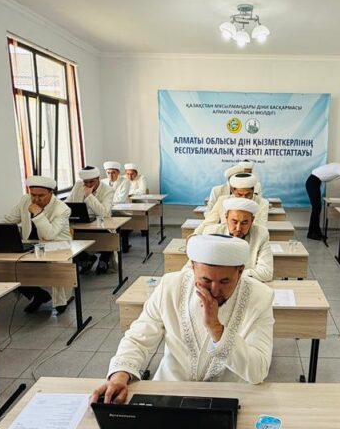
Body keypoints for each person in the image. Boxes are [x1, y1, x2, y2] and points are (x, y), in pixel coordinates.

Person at [91, 234, 275, 404]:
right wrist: (120, 374)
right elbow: (138, 339)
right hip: (170, 392)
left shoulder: (260, 297)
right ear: (192, 267)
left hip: (228, 397)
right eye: (206, 280)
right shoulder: (171, 287)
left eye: (225, 281)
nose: (214, 290)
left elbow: (257, 371)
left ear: (240, 272)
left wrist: (216, 329)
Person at [3, 175, 73, 313]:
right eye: (33, 195)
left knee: (54, 270)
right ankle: (39, 295)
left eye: (40, 196)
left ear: (51, 193)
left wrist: (38, 213)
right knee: (8, 268)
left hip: (57, 248)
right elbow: (9, 220)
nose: (35, 199)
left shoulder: (62, 209)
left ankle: (61, 300)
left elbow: (49, 235)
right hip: (31, 246)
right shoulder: (25, 200)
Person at [194, 197, 273, 282]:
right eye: (234, 222)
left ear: (252, 220)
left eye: (244, 223)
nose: (238, 228)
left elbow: (266, 272)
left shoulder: (261, 234)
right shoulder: (211, 232)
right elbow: (197, 269)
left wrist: (226, 275)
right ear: (226, 218)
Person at [67, 166, 116, 274]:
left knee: (109, 239)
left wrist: (89, 196)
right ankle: (86, 259)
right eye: (86, 182)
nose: (88, 185)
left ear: (98, 179)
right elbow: (67, 204)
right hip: (80, 223)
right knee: (66, 237)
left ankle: (104, 258)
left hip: (102, 226)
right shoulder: (78, 185)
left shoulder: (108, 190)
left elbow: (104, 213)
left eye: (91, 182)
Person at [203, 173, 271, 225]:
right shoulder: (222, 201)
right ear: (232, 190)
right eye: (240, 195)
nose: (243, 198)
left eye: (247, 194)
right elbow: (208, 222)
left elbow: (261, 227)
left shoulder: (262, 203)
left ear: (253, 190)